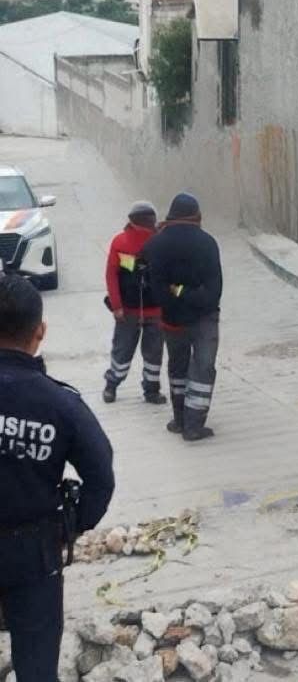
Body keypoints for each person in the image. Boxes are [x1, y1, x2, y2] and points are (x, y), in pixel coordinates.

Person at [0, 275, 115, 681]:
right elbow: (101, 477)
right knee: (36, 668)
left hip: (36, 550)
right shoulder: (59, 403)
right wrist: (72, 526)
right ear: (40, 332)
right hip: (34, 554)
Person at [142, 193, 222, 442]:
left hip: (171, 319)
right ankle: (194, 425)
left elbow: (146, 277)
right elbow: (214, 292)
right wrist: (190, 294)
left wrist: (174, 292)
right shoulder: (208, 243)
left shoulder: (155, 243)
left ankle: (179, 419)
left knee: (177, 367)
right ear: (196, 216)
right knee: (202, 368)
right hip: (203, 318)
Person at [102, 201, 166, 405]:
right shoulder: (121, 243)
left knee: (154, 353)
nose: (151, 223)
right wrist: (117, 305)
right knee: (123, 350)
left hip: (154, 309)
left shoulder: (159, 240)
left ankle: (151, 389)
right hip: (129, 310)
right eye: (149, 220)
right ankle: (112, 383)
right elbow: (112, 274)